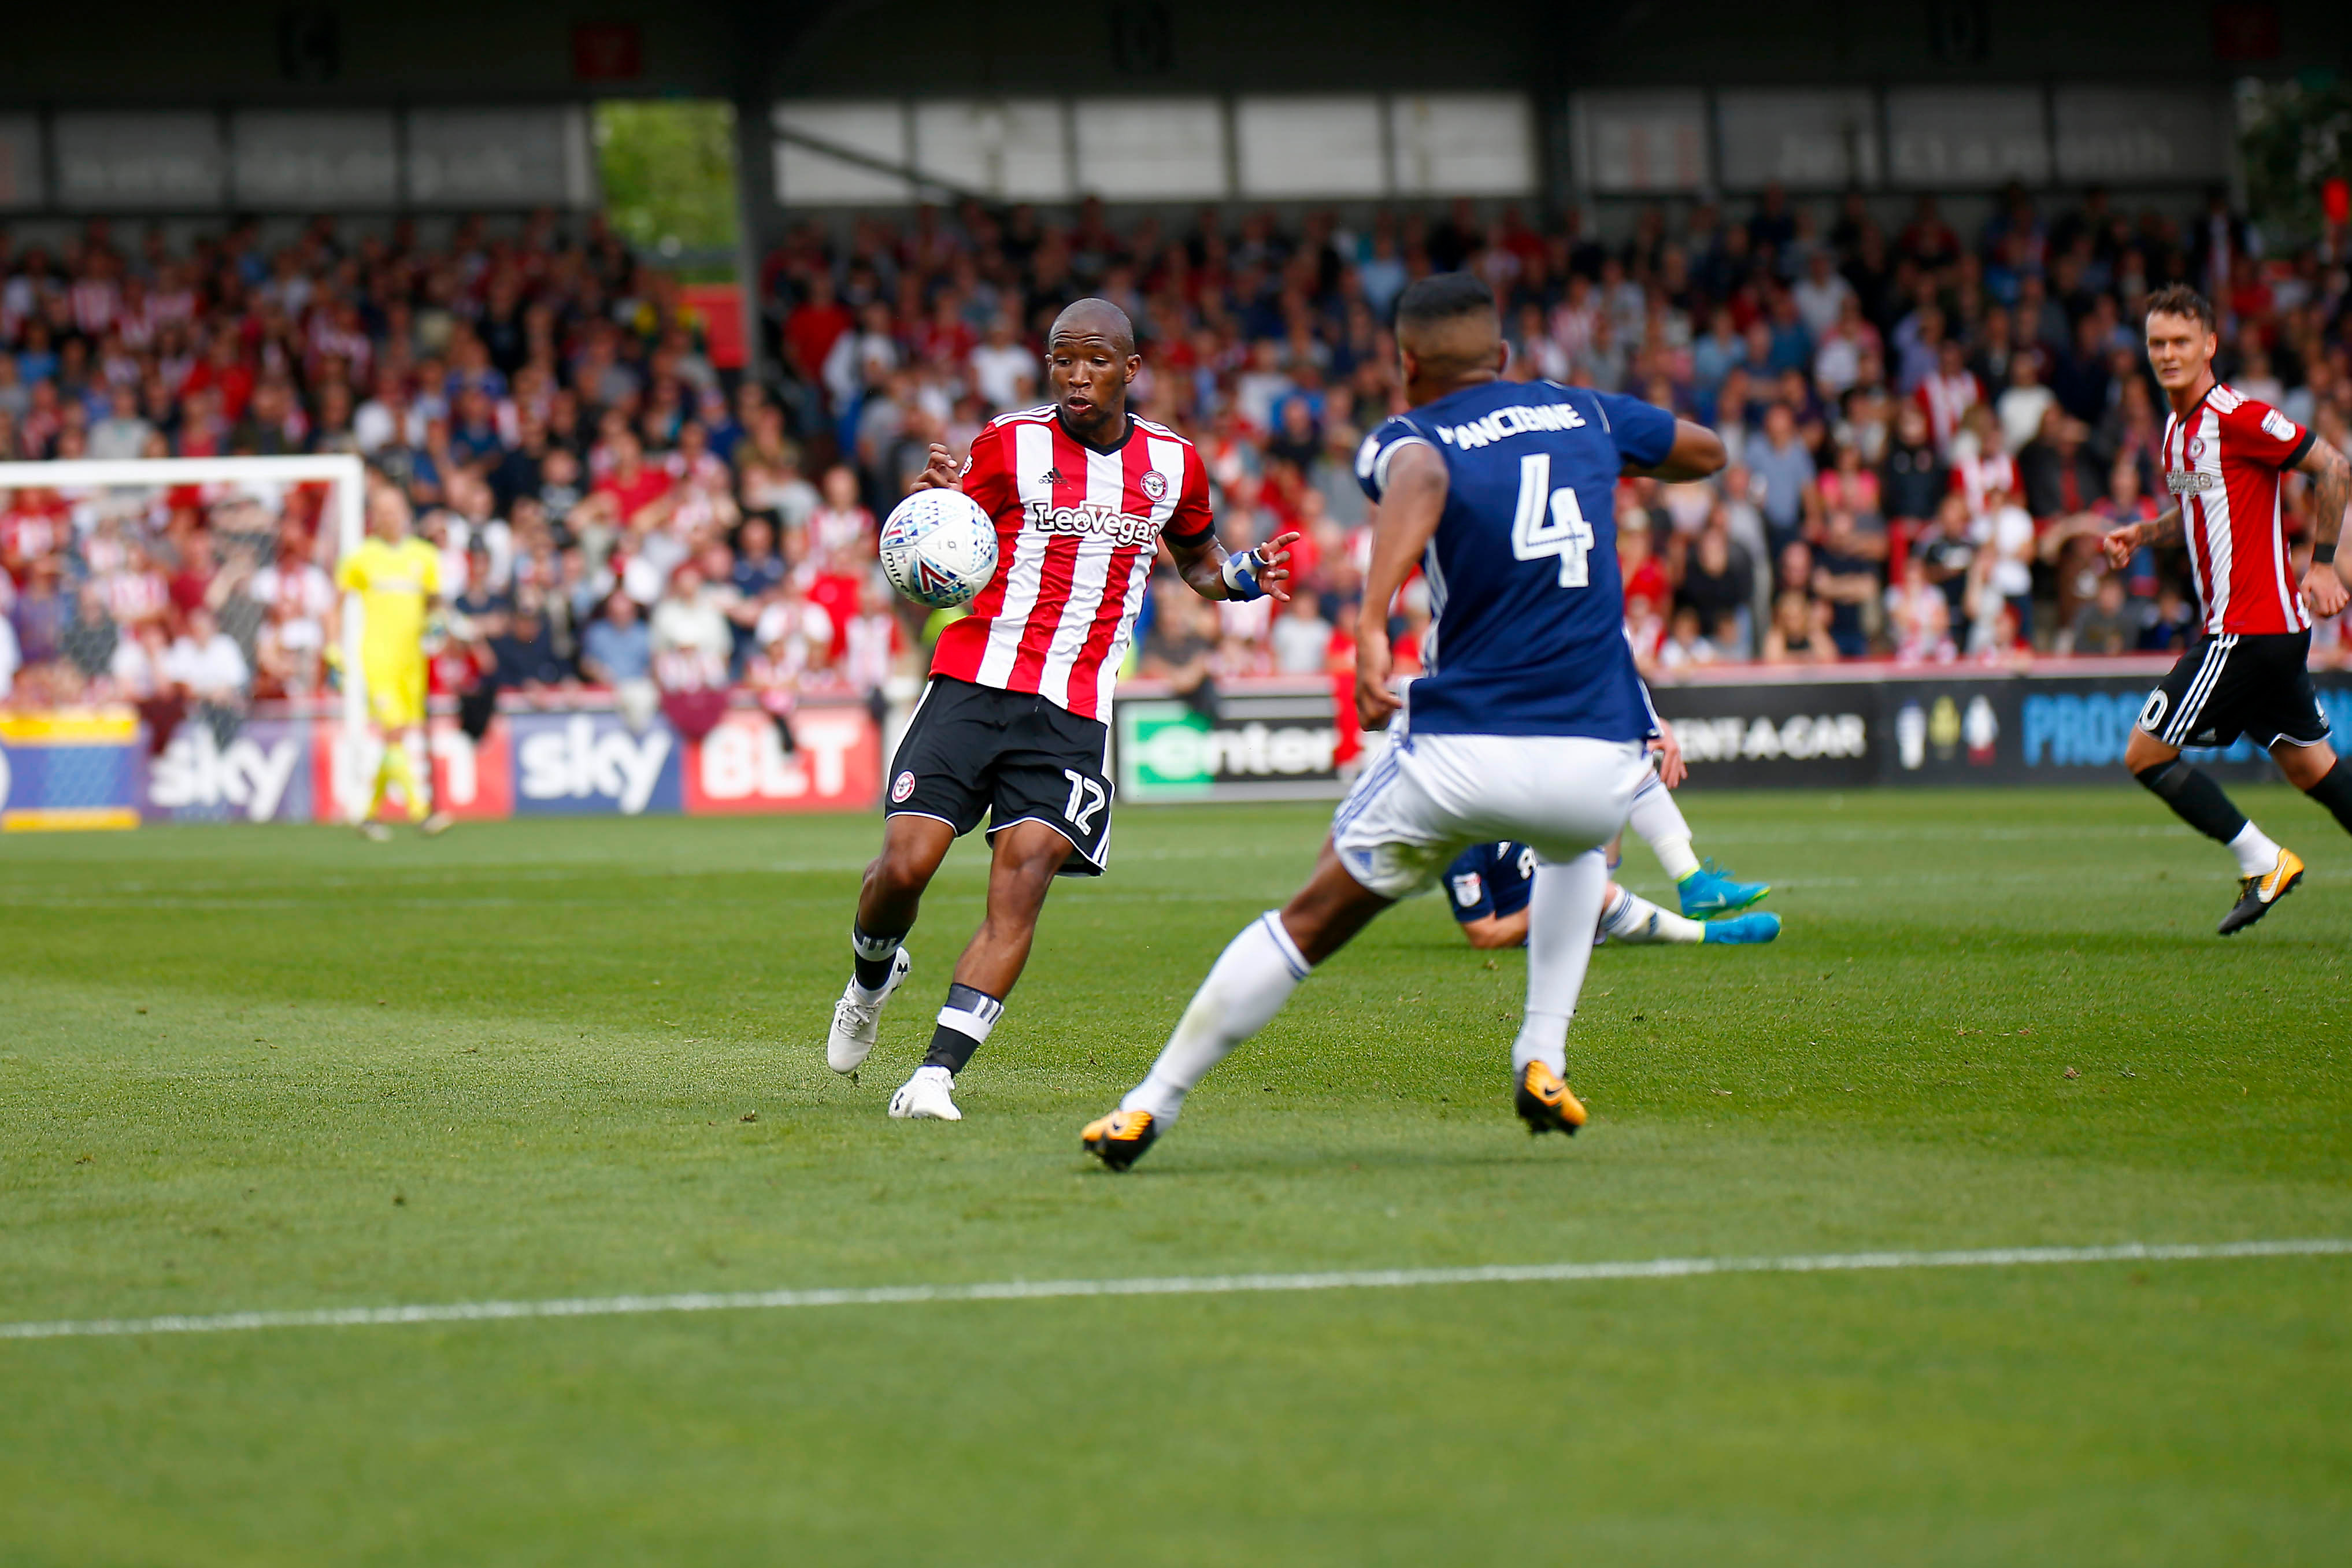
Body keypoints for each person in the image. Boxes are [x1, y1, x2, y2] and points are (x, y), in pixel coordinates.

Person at [1080, 272, 1726, 1170]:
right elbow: (1704, 451)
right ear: (1503, 355)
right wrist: (1611, 441)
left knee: (1308, 916)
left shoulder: (1409, 435)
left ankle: (1150, 1102)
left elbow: (1419, 477)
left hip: (1466, 746)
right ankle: (1542, 1051)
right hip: (1598, 763)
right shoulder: (1585, 412)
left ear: (1406, 363)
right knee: (1574, 850)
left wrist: (1371, 623)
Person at [823, 298, 1298, 1123]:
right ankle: (871, 977)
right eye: (1063, 359)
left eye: (1095, 360)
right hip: (974, 680)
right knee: (903, 868)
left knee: (1022, 884)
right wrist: (935, 504)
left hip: (1073, 711)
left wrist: (1241, 576)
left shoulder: (1174, 464)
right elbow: (951, 524)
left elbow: (1198, 561)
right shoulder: (1009, 442)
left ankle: (935, 1076)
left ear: (1130, 370)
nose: (1077, 375)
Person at [2100, 284, 2352, 935]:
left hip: (2247, 631)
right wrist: (2143, 532)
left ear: (2209, 345)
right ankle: (2264, 861)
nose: (2167, 354)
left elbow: (2333, 468)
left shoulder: (2237, 416)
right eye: (2157, 343)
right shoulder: (2176, 432)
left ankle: (2263, 861)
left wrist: (2322, 564)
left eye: (2180, 341)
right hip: (2265, 634)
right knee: (2312, 768)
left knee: (2145, 753)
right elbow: (2196, 506)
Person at [336, 483, 452, 839]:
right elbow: (336, 604)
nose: (389, 517)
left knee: (396, 737)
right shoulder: (361, 557)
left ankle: (368, 815)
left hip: (411, 660)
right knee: (393, 729)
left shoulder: (425, 556)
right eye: (382, 510)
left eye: (394, 510)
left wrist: (437, 623)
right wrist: (333, 647)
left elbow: (435, 602)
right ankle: (421, 811)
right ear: (373, 517)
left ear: (405, 513)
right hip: (377, 657)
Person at [1446, 836, 1779, 950]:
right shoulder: (1461, 848)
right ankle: (1709, 933)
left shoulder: (1523, 794)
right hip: (1532, 927)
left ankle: (1692, 883)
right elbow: (1484, 935)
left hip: (1569, 883)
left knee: (1625, 774)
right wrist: (1554, 900)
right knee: (1594, 891)